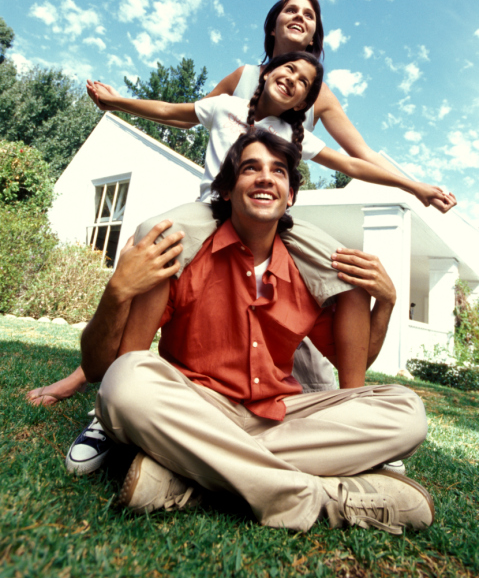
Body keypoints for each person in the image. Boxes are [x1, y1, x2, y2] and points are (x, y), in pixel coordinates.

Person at [26, 0, 455, 406]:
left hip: (271, 219)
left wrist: (414, 187)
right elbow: (182, 113)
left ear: (314, 42)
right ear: (273, 24)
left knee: (344, 268)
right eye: (292, 8)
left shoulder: (310, 102)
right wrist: (120, 103)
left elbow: (356, 160)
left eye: (311, 16)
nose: (301, 17)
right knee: (152, 238)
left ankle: (351, 402)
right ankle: (102, 379)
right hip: (215, 207)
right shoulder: (239, 86)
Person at [82, 129, 433, 535]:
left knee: (407, 412)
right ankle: (321, 497)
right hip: (197, 407)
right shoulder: (182, 255)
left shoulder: (308, 275)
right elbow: (110, 367)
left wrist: (386, 304)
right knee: (126, 383)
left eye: (278, 171)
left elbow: (351, 359)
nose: (266, 177)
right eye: (251, 168)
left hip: (278, 418)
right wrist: (117, 291)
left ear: (291, 197)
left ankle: (189, 477)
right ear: (228, 191)